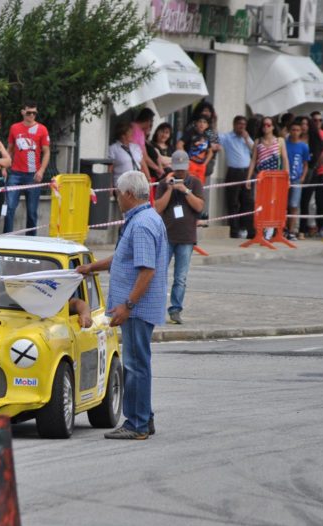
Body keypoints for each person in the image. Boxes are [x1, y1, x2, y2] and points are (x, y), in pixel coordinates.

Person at [75, 170, 167, 441]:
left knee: (135, 365)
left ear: (128, 194)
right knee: (139, 363)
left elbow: (146, 270)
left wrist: (127, 305)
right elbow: (123, 258)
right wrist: (92, 267)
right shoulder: (146, 219)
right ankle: (144, 418)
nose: (116, 198)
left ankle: (136, 424)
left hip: (137, 309)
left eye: (118, 193)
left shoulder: (141, 225)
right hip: (137, 307)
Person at [152, 150, 203, 326]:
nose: (180, 173)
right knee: (159, 274)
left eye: (183, 169)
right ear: (172, 167)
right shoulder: (163, 183)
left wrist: (186, 191)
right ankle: (156, 308)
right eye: (177, 169)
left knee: (180, 277)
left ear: (187, 166)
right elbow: (157, 208)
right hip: (167, 236)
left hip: (186, 237)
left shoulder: (195, 183)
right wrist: (169, 188)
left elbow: (200, 207)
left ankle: (175, 310)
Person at [4, 100, 50, 235]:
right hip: (15, 173)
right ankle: (6, 237)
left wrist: (41, 170)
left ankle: (31, 240)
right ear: (23, 112)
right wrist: (4, 165)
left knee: (32, 211)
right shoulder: (14, 128)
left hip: (33, 174)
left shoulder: (42, 129)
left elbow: (46, 151)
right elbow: (10, 149)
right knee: (10, 207)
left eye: (34, 113)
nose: (31, 116)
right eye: (29, 112)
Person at [221, 115, 254, 239]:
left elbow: (255, 150)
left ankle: (244, 228)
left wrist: (247, 138)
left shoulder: (246, 138)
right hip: (233, 172)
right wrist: (212, 124)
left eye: (244, 124)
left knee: (247, 202)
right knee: (233, 202)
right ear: (234, 125)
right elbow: (212, 137)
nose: (242, 127)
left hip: (247, 173)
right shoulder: (227, 138)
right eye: (240, 124)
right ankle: (234, 231)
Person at [300, 114, 323, 238]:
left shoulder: (316, 140)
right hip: (296, 173)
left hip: (312, 174)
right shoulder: (294, 138)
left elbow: (321, 159)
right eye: (302, 124)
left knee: (306, 202)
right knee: (295, 203)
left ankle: (303, 229)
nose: (304, 127)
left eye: (306, 124)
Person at [284, 121, 310, 239]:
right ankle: (282, 228)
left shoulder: (303, 146)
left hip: (296, 179)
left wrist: (303, 176)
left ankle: (291, 230)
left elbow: (305, 164)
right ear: (289, 130)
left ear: (301, 132)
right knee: (283, 205)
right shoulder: (284, 143)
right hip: (284, 178)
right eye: (293, 130)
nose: (295, 132)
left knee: (294, 205)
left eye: (297, 130)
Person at [246, 117, 286, 191]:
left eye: (268, 125)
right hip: (261, 177)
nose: (265, 127)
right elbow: (253, 160)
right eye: (264, 125)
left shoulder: (280, 141)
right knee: (261, 201)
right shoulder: (257, 141)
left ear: (273, 127)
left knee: (274, 201)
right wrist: (248, 178)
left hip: (276, 177)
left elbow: (285, 160)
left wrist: (287, 177)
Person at [178, 115, 212, 184]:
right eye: (200, 121)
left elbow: (210, 152)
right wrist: (186, 159)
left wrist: (204, 164)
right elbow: (179, 144)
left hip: (201, 166)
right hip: (190, 164)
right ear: (196, 123)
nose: (202, 124)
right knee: (188, 185)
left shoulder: (207, 136)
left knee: (199, 187)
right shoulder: (190, 133)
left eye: (204, 122)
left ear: (207, 125)